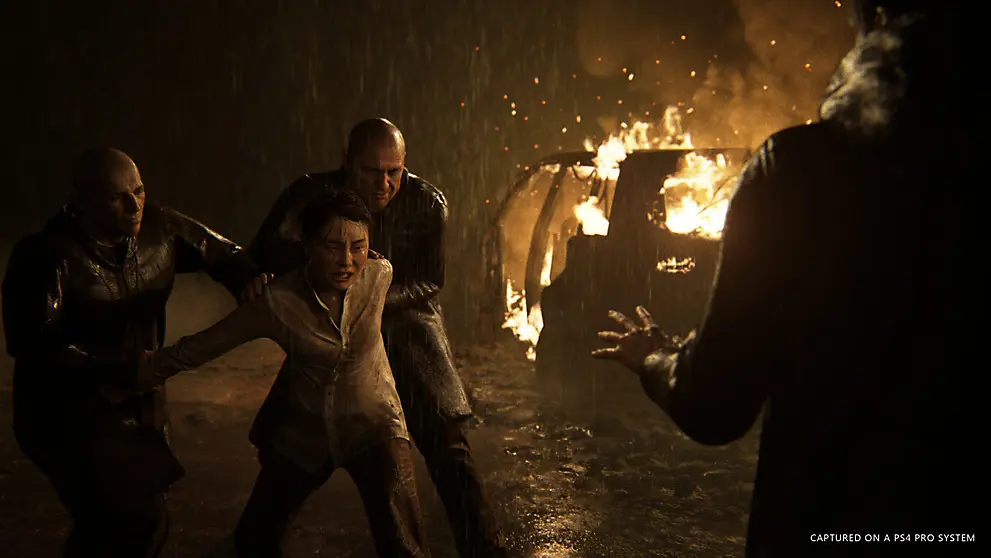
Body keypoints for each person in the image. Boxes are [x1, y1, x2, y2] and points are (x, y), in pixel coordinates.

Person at [592, 2, 976, 556]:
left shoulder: (798, 170)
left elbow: (715, 404)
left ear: (876, 17)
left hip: (826, 515)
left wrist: (655, 357)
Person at [248, 118, 506, 557]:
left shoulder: (426, 203)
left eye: (394, 172)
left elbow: (429, 280)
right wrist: (289, 283)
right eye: (371, 171)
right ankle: (253, 543)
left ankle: (485, 551)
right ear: (347, 162)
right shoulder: (312, 195)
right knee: (293, 449)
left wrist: (375, 299)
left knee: (449, 446)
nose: (384, 184)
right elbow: (262, 254)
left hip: (407, 325)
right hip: (336, 329)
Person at [131, 189, 429, 557]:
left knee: (404, 544)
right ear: (308, 244)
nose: (347, 261)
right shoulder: (278, 301)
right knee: (255, 539)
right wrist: (139, 371)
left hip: (376, 422)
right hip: (307, 428)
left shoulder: (379, 275)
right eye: (332, 247)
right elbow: (206, 345)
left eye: (358, 247)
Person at [2, 148, 266, 557]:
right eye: (116, 197)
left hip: (139, 401)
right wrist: (114, 370)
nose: (134, 206)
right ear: (82, 201)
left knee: (133, 522)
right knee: (130, 520)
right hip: (64, 411)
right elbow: (33, 342)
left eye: (139, 191)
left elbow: (222, 252)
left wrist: (247, 277)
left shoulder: (160, 228)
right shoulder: (46, 254)